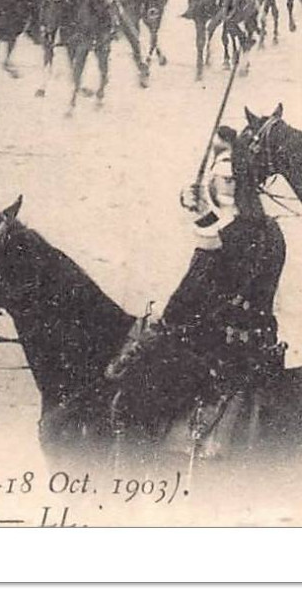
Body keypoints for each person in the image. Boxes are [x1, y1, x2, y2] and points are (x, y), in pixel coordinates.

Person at [102, 139, 286, 448]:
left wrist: (161, 324)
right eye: (224, 179)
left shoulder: (224, 233)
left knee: (132, 391)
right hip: (259, 344)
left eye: (231, 179)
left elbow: (192, 291)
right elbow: (225, 233)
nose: (228, 184)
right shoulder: (269, 228)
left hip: (219, 348)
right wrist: (202, 207)